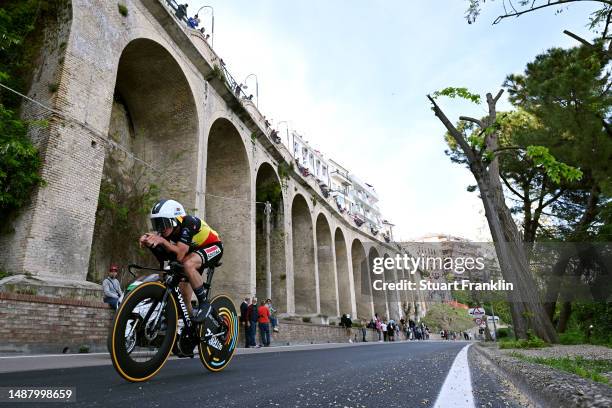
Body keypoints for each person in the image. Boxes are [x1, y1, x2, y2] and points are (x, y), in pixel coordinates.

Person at [138, 199, 223, 325]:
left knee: (188, 264)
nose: (160, 228)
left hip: (213, 246)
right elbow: (167, 258)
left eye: (162, 222)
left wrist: (161, 241)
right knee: (184, 296)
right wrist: (151, 245)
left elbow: (180, 253)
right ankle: (190, 326)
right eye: (157, 223)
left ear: (174, 220)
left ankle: (204, 304)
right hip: (192, 252)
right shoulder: (167, 231)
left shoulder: (188, 222)